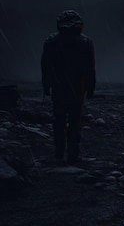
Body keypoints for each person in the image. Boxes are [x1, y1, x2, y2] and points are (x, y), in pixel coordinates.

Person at [41, 10, 96, 164]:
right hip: (78, 87)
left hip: (59, 87)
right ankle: (73, 154)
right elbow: (90, 68)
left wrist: (47, 84)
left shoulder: (51, 41)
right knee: (74, 121)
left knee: (59, 119)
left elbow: (45, 66)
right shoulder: (85, 42)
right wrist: (90, 87)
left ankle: (59, 153)